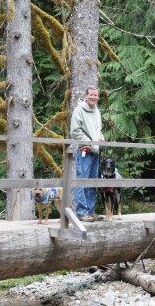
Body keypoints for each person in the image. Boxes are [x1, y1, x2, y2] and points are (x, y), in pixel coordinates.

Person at [70, 85, 105, 222]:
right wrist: (90, 143)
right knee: (81, 181)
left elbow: (98, 130)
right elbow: (75, 132)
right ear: (86, 95)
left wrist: (101, 138)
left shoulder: (97, 112)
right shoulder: (79, 110)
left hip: (96, 152)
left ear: (98, 96)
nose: (93, 97)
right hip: (84, 151)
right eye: (91, 94)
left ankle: (90, 211)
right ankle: (81, 212)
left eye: (96, 95)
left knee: (92, 182)